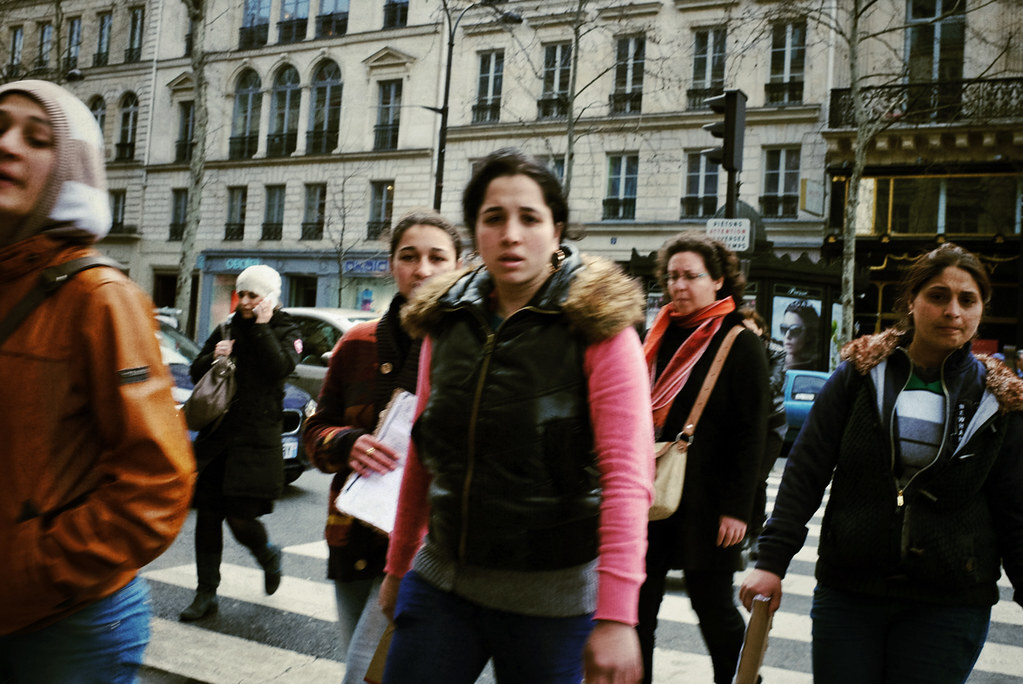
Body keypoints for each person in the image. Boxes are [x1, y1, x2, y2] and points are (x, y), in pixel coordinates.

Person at [378, 148, 654, 684]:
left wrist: (619, 616)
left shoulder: (600, 327)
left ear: (556, 230)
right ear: (475, 231)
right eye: (494, 218)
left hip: (553, 603)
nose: (511, 234)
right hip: (442, 585)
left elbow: (627, 478)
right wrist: (398, 566)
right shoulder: (445, 319)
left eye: (529, 218)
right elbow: (425, 453)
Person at [740, 243, 1023, 684]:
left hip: (950, 601)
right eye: (937, 296)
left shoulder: (999, 399)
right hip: (851, 590)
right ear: (912, 302)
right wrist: (771, 562)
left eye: (967, 300)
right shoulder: (858, 375)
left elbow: (1015, 507)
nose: (953, 311)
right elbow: (806, 469)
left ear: (981, 310)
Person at [0, 80, 194, 681]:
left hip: (67, 628)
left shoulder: (100, 295)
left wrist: (28, 569)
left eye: (36, 138)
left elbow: (158, 484)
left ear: (69, 172)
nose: (7, 145)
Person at [304, 208, 461, 684]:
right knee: (359, 656)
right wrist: (346, 442)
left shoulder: (468, 347)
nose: (423, 269)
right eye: (409, 256)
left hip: (427, 544)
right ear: (392, 263)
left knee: (364, 673)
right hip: (353, 530)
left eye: (438, 257)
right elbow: (318, 428)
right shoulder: (357, 343)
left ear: (459, 265)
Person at [636, 232, 769, 684]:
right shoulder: (652, 335)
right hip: (651, 492)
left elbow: (753, 433)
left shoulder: (738, 341)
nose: (679, 286)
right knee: (638, 613)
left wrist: (738, 509)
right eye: (673, 276)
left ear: (717, 282)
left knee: (713, 609)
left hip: (709, 503)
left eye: (691, 276)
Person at [179, 264, 302, 621]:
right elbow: (196, 370)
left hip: (255, 442)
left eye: (252, 295)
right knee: (208, 516)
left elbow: (279, 368)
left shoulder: (286, 328)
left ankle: (267, 554)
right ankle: (206, 593)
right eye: (242, 294)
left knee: (241, 518)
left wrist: (262, 329)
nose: (245, 301)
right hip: (219, 438)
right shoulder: (227, 326)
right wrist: (214, 356)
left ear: (269, 298)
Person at [739, 306, 787, 560]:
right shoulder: (735, 352)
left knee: (757, 478)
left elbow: (770, 386)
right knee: (741, 477)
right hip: (745, 423)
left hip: (771, 424)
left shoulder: (777, 352)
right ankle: (742, 529)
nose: (748, 335)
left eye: (752, 330)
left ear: (761, 330)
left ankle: (756, 532)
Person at [780, 299, 820, 370]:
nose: (787, 336)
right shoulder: (774, 362)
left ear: (808, 334)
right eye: (784, 328)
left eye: (795, 330)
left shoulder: (813, 367)